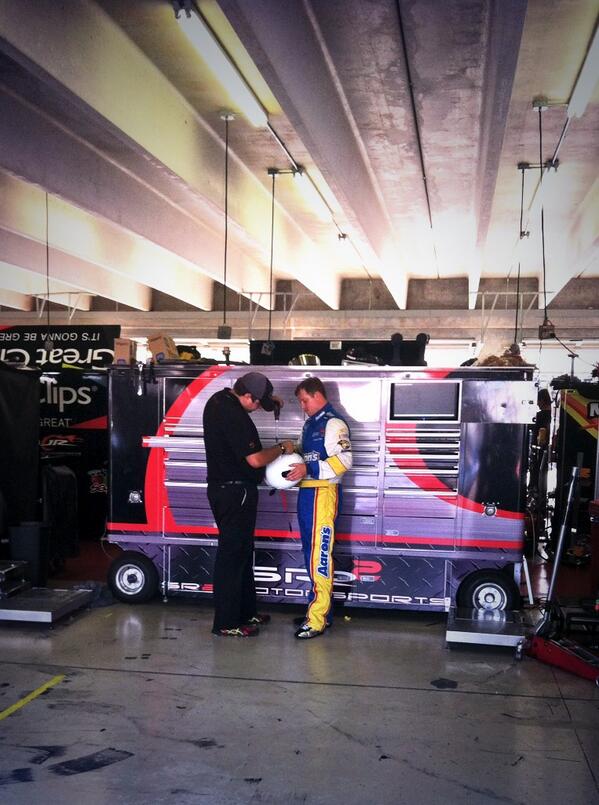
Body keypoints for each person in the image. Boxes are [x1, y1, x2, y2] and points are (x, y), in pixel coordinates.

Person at [203, 371, 295, 637]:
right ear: (246, 395)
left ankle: (245, 612)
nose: (257, 409)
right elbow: (255, 460)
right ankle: (227, 623)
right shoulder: (234, 416)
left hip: (226, 491)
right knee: (233, 557)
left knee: (242, 552)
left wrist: (269, 400)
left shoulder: (220, 400)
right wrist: (282, 448)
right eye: (257, 403)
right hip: (235, 493)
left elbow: (252, 402)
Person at [285, 377, 353, 639]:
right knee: (309, 554)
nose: (302, 406)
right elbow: (311, 454)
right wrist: (295, 450)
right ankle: (321, 611)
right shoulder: (310, 424)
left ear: (317, 395)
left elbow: (344, 461)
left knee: (319, 556)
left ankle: (317, 619)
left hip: (324, 494)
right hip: (307, 493)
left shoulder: (333, 423)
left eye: (304, 400)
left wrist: (308, 468)